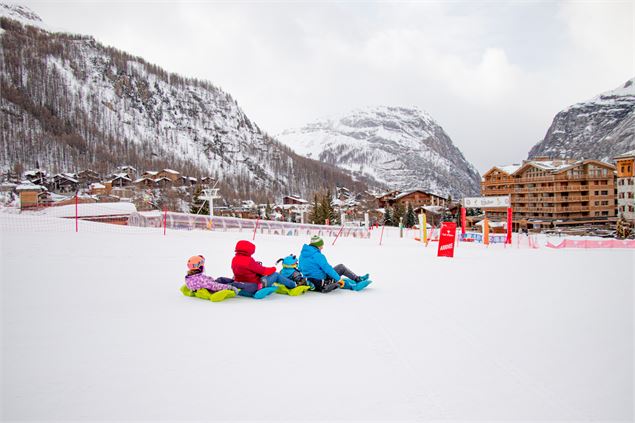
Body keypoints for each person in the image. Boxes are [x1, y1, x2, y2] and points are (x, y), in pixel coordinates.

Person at [298, 235, 369, 293]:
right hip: (322, 280)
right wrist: (338, 279)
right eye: (321, 246)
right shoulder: (318, 256)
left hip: (311, 281)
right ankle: (356, 281)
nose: (322, 247)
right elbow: (328, 269)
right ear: (317, 246)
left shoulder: (302, 255)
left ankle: (357, 279)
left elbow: (300, 268)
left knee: (336, 274)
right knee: (341, 268)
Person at [231, 240, 296, 296]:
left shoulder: (234, 259)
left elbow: (245, 270)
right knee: (276, 275)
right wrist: (273, 269)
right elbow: (263, 271)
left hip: (241, 282)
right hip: (256, 284)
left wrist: (255, 265)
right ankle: (293, 285)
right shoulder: (248, 260)